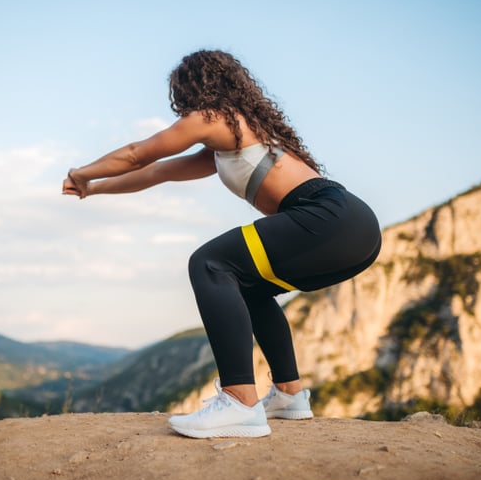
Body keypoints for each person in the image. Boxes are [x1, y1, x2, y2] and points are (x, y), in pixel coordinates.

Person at [62, 50, 381, 439]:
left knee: (210, 264)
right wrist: (92, 189)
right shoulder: (234, 140)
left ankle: (239, 402)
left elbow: (136, 153)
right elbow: (156, 171)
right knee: (250, 287)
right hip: (355, 230)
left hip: (329, 218)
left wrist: (80, 171)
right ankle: (288, 395)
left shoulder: (211, 117)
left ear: (193, 88)